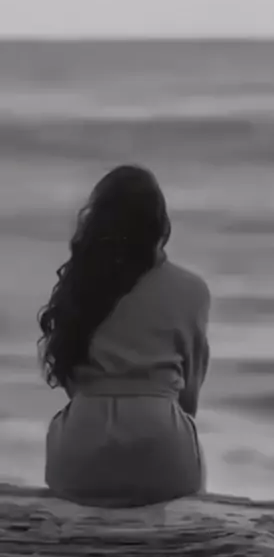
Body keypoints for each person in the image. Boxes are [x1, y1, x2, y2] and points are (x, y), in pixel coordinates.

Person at [37, 165, 210, 507]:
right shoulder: (192, 289)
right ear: (161, 225)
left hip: (79, 456)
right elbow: (189, 399)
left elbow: (70, 380)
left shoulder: (79, 285)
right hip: (162, 452)